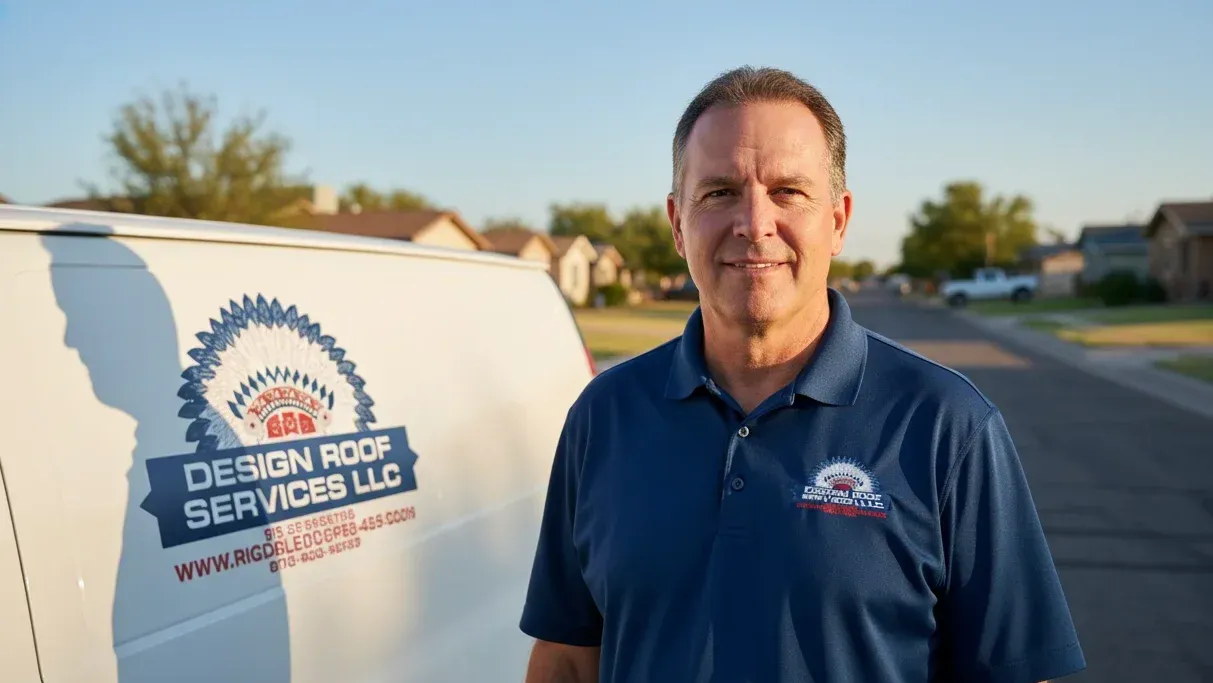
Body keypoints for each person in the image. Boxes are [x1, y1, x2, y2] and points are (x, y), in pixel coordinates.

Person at [518, 65, 1086, 683]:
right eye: (719, 193)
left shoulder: (948, 425)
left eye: (788, 191)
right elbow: (567, 658)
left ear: (838, 220)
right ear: (678, 224)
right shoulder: (604, 415)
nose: (754, 223)